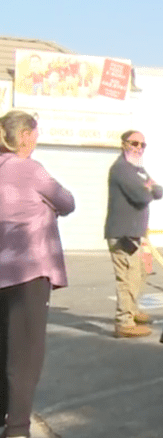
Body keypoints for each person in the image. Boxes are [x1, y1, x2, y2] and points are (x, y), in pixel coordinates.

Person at [0, 111, 75, 438]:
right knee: (25, 356)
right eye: (35, 133)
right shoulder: (29, 169)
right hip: (29, 273)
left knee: (3, 348)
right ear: (26, 136)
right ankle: (17, 428)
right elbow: (67, 201)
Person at [105, 130, 163, 339]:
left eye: (142, 145)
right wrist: (147, 189)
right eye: (134, 143)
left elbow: (159, 191)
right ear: (123, 144)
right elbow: (141, 196)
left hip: (137, 233)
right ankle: (124, 321)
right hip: (123, 234)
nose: (138, 148)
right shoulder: (121, 169)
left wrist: (149, 188)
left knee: (140, 273)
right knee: (127, 278)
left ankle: (132, 309)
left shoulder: (138, 170)